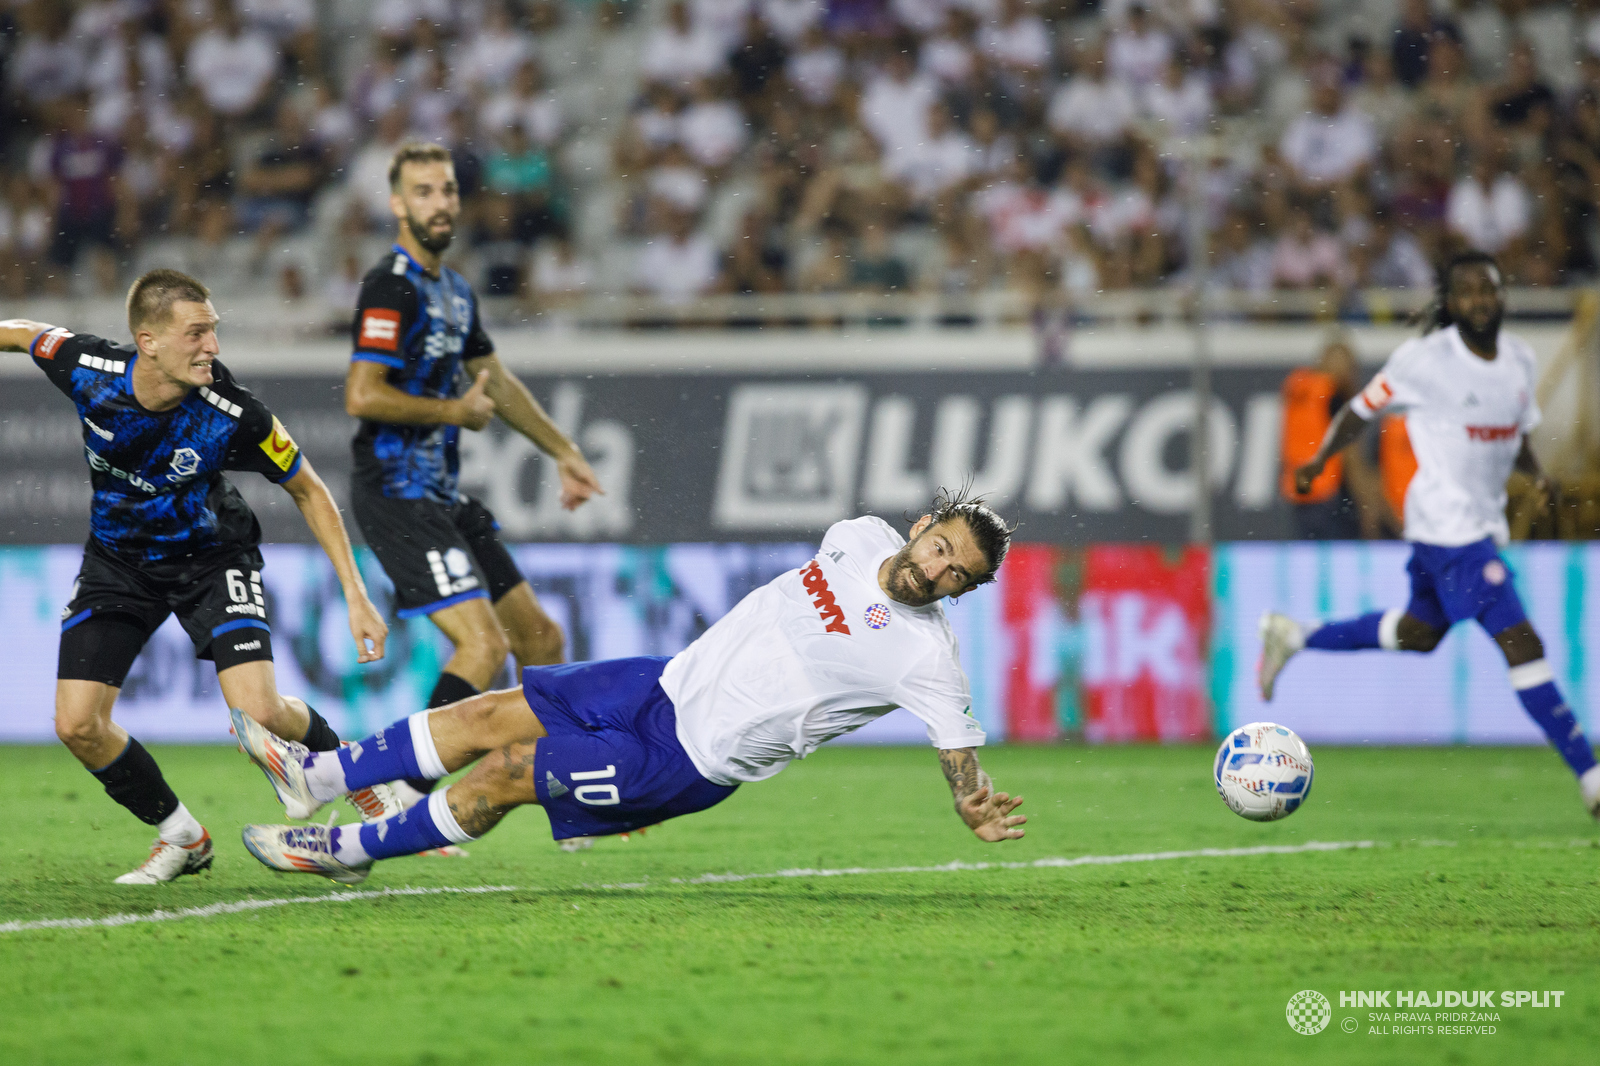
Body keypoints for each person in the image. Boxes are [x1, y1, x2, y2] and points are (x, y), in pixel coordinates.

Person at [232, 493, 1028, 883]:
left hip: (686, 758)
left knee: (508, 770)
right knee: (484, 712)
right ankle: (317, 778)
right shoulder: (857, 539)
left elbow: (956, 746)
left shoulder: (925, 658)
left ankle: (346, 850)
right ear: (924, 523)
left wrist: (970, 796)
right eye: (942, 546)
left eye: (960, 574)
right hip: (660, 683)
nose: (938, 570)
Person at [0, 269, 388, 883]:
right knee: (77, 725)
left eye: (214, 331)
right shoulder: (87, 368)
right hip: (118, 562)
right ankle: (182, 836)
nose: (212, 346)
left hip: (212, 560)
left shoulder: (232, 412)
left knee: (258, 712)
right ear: (147, 340)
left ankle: (360, 781)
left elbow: (311, 491)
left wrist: (357, 594)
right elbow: (22, 333)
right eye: (197, 333)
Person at [1258, 252, 1600, 818]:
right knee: (1523, 643)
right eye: (1466, 291)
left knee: (1419, 632)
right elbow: (1361, 411)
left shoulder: (1517, 359)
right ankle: (1590, 775)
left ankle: (1295, 635)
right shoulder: (1424, 360)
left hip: (1476, 526)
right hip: (1446, 528)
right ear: (1450, 302)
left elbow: (1515, 434)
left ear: (1501, 296)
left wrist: (1537, 477)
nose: (1480, 300)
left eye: (1488, 289)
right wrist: (1320, 460)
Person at [345, 142, 604, 822]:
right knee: (484, 645)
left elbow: (498, 382)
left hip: (443, 496)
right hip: (395, 493)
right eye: (424, 192)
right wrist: (453, 412)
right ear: (399, 204)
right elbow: (363, 395)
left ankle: (551, 783)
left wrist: (563, 450)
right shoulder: (390, 286)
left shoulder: (454, 291)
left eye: (448, 191)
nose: (441, 204)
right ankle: (398, 795)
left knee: (542, 642)